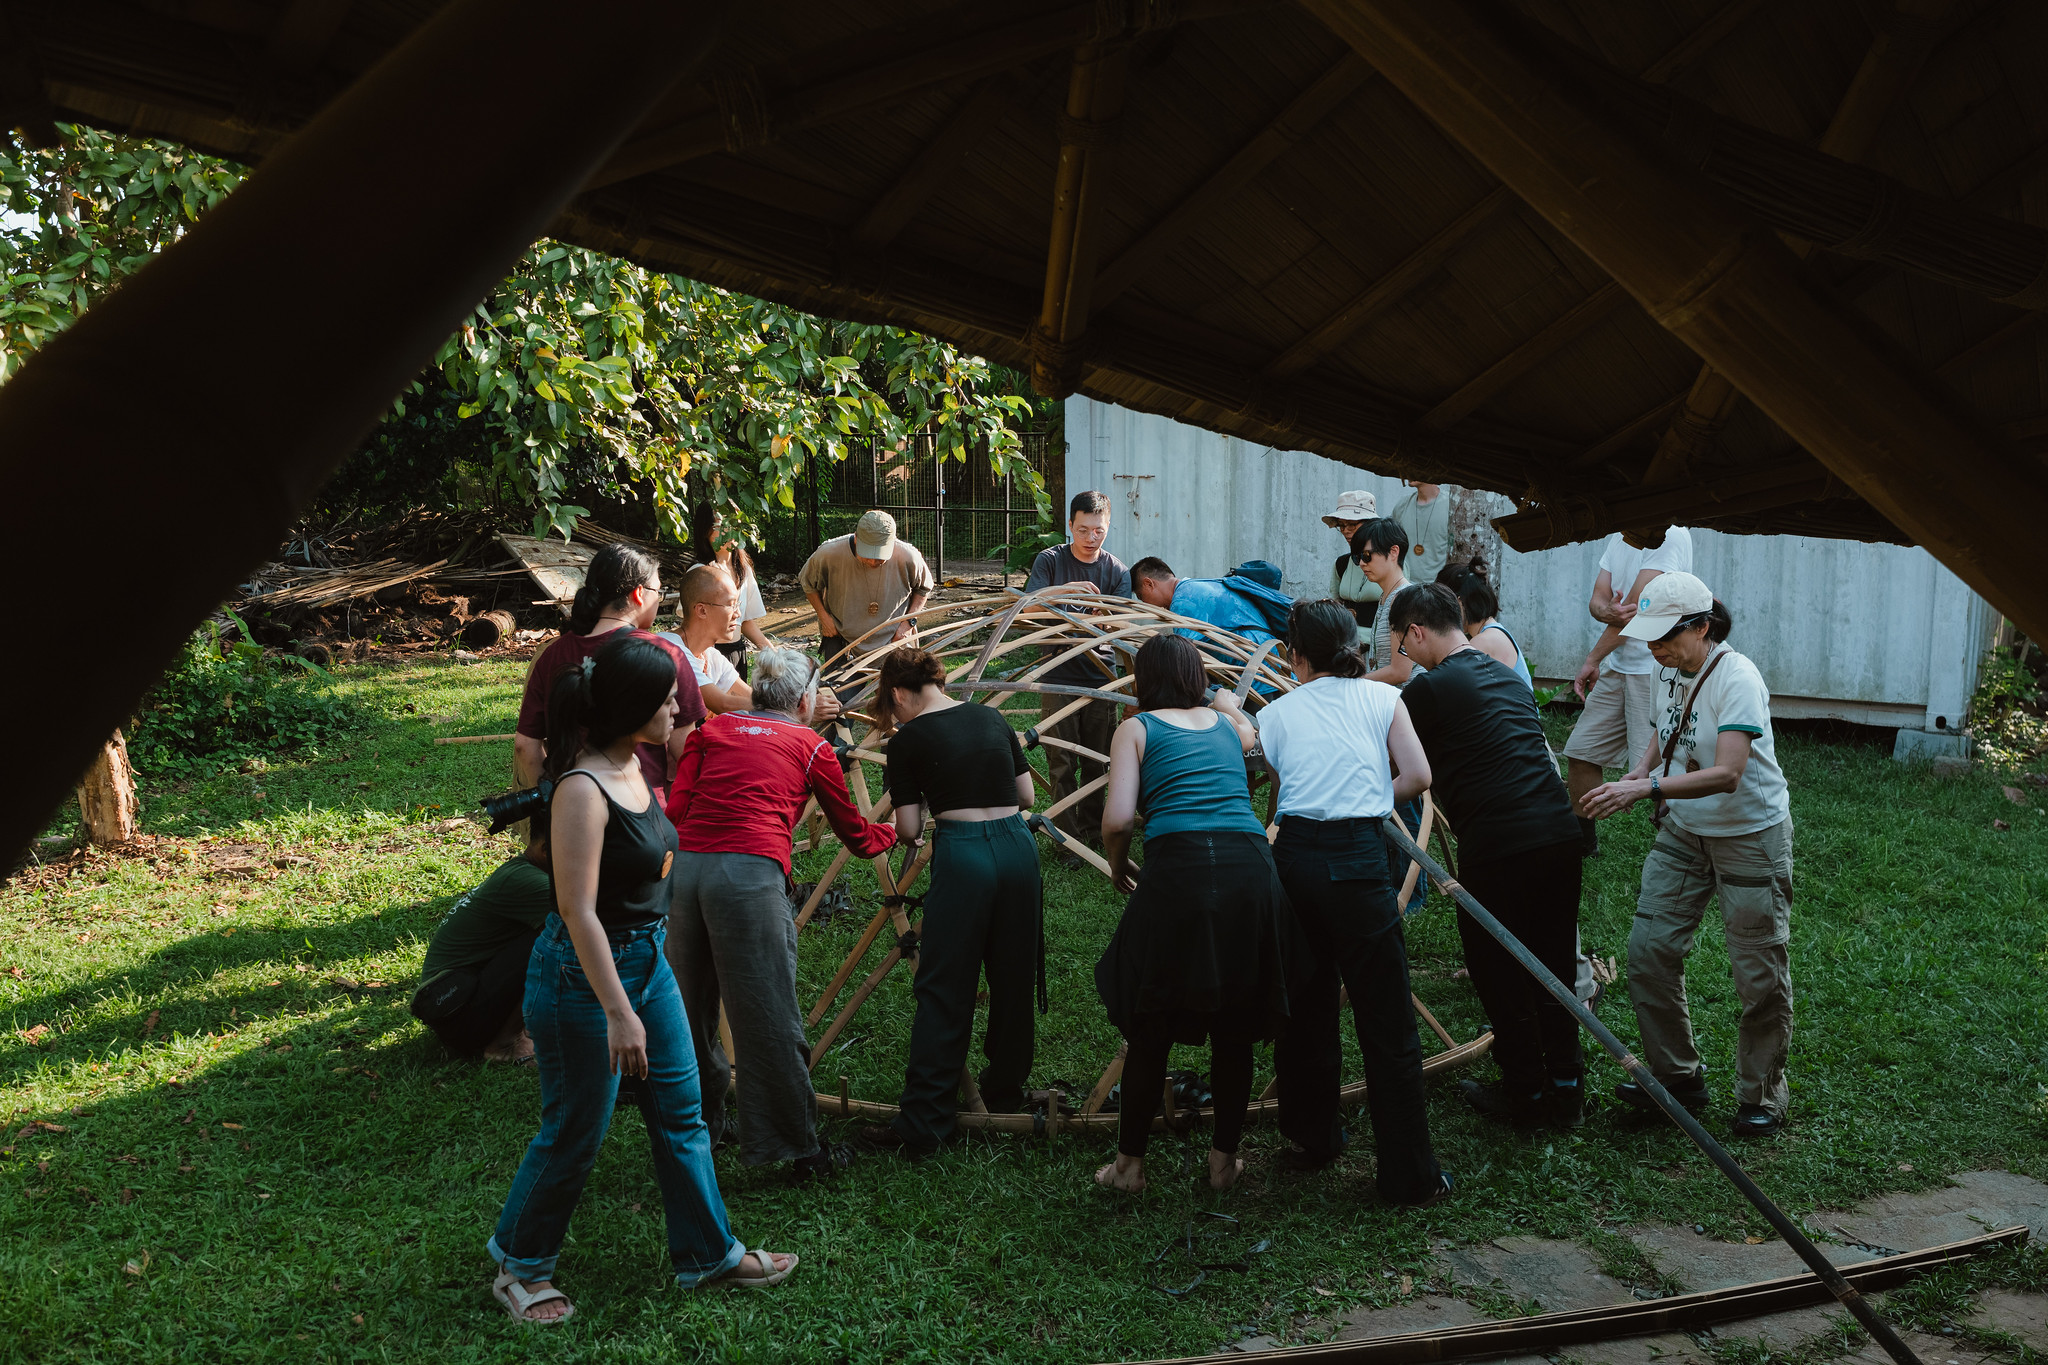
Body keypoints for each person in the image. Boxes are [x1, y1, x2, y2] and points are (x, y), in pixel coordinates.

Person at [488, 636, 793, 1324]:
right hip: (583, 977)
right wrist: (619, 1012)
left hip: (647, 962)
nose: (678, 704)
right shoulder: (581, 789)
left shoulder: (634, 766)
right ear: (629, 709)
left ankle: (708, 1251)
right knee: (575, 1129)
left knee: (682, 1113)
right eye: (663, 699)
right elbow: (576, 910)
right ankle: (519, 1263)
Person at [664, 646, 897, 1180]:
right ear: (805, 698)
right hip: (746, 878)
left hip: (685, 873)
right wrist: (898, 832)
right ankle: (795, 1149)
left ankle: (700, 1128)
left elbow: (677, 810)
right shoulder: (810, 745)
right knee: (765, 1014)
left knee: (687, 1013)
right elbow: (857, 837)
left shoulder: (709, 731)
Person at [1253, 600, 1450, 1207]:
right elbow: (1417, 777)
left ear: (1295, 654)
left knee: (1305, 1003)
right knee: (1385, 1017)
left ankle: (1313, 1139)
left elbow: (1283, 788)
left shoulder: (1277, 712)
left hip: (1296, 860)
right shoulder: (1384, 699)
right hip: (1361, 860)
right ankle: (1408, 1174)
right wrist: (1369, 795)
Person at [1584, 572, 1792, 1139]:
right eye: (1648, 637)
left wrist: (1646, 790)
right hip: (1684, 830)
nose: (1654, 649)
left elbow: (1728, 773)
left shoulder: (1738, 678)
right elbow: (1663, 728)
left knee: (1758, 973)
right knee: (1648, 952)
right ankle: (1677, 1078)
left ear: (1703, 626)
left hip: (1749, 833)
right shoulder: (1664, 667)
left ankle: (1762, 1096)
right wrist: (1640, 771)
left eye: (1666, 637)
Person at [1093, 635, 1288, 1195]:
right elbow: (1254, 733)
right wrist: (1222, 697)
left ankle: (1129, 1168)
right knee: (1236, 1018)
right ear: (1197, 676)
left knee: (1150, 1015)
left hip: (1179, 866)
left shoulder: (1136, 728)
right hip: (1250, 866)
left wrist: (1117, 865)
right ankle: (1223, 1164)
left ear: (1142, 679)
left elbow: (1117, 820)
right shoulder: (1228, 726)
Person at [1388, 585, 1586, 1128]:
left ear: (1418, 631)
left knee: (1498, 968)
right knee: (1553, 967)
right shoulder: (1508, 675)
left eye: (1402, 643)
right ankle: (1566, 1088)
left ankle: (1525, 1092)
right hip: (1558, 833)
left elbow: (1395, 763)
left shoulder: (1427, 692)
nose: (1405, 654)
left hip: (1502, 846)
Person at [857, 647, 1043, 1156]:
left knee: (944, 986)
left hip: (964, 856)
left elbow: (911, 828)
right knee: (1013, 975)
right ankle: (1006, 1093)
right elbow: (1026, 797)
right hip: (1017, 851)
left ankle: (925, 1121)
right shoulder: (990, 715)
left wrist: (914, 829)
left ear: (898, 693)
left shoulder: (909, 739)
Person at [513, 543, 706, 796]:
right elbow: (685, 750)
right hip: (641, 809)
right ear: (639, 594)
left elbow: (525, 745)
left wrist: (552, 799)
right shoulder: (664, 654)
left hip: (571, 805)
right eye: (657, 592)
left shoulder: (553, 654)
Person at [1563, 525, 1695, 856]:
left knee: (1659, 772)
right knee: (1582, 751)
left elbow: (1640, 608)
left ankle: (1680, 855)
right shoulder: (1620, 536)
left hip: (1655, 667)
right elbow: (1597, 600)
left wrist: (1592, 657)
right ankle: (1583, 847)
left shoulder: (1669, 534)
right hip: (1618, 664)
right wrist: (1605, 610)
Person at [1025, 490, 1133, 855]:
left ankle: (1092, 831)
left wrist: (1084, 619)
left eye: (1099, 531)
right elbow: (1028, 612)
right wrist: (1065, 590)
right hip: (1059, 674)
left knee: (1098, 759)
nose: (1090, 539)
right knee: (1061, 761)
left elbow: (1116, 624)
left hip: (1102, 676)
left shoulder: (1117, 571)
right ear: (1069, 525)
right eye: (1083, 529)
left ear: (1108, 527)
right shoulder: (1050, 562)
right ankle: (1065, 839)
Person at [412, 826, 554, 1062]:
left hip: (455, 1003)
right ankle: (505, 1044)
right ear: (547, 849)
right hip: (456, 1011)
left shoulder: (523, 870)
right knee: (556, 937)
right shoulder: (530, 882)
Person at [799, 509, 934, 664]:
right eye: (867, 555)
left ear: (892, 543)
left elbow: (923, 588)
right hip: (843, 640)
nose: (872, 562)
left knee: (899, 689)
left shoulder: (908, 556)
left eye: (880, 557)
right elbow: (808, 584)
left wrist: (908, 623)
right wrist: (824, 617)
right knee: (839, 689)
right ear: (856, 539)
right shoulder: (828, 553)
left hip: (894, 640)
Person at [1131, 557, 1294, 650]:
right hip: (1267, 660)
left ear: (1149, 584)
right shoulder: (1195, 586)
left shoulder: (1183, 601)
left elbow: (1182, 658)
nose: (1146, 603)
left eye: (1141, 596)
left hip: (1257, 671)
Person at [690, 502, 771, 681]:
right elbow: (691, 624)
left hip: (737, 653)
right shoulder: (700, 572)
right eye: (720, 525)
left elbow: (746, 621)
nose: (729, 530)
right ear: (705, 531)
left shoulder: (743, 569)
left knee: (737, 709)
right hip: (709, 658)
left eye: (733, 522)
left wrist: (772, 653)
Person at [1435, 558, 1530, 690]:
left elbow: (1451, 688)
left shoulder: (1483, 642)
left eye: (1443, 605)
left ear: (1459, 603)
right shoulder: (1494, 631)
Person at [1349, 518, 1420, 684]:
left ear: (1394, 552)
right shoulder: (1386, 596)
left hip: (1407, 702)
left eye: (1367, 556)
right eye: (1357, 557)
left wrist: (1354, 684)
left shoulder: (1404, 599)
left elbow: (1400, 671)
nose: (1361, 563)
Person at [1324, 489, 1382, 645]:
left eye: (1352, 524)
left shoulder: (1389, 560)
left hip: (1380, 646)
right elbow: (1335, 603)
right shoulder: (1341, 564)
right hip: (1346, 644)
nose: (1346, 531)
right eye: (1342, 526)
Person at [1388, 479, 1451, 586]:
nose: (1408, 472)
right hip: (1405, 586)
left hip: (1439, 588)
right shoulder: (1402, 505)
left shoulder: (1450, 505)